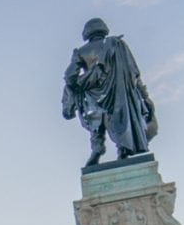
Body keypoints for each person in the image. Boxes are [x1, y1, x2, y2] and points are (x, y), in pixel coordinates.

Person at [63, 18, 157, 167]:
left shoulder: (81, 52)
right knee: (120, 118)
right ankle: (123, 149)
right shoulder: (118, 45)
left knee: (95, 121)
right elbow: (133, 73)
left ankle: (96, 149)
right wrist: (144, 96)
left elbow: (69, 77)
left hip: (92, 96)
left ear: (87, 33)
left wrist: (82, 82)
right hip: (118, 94)